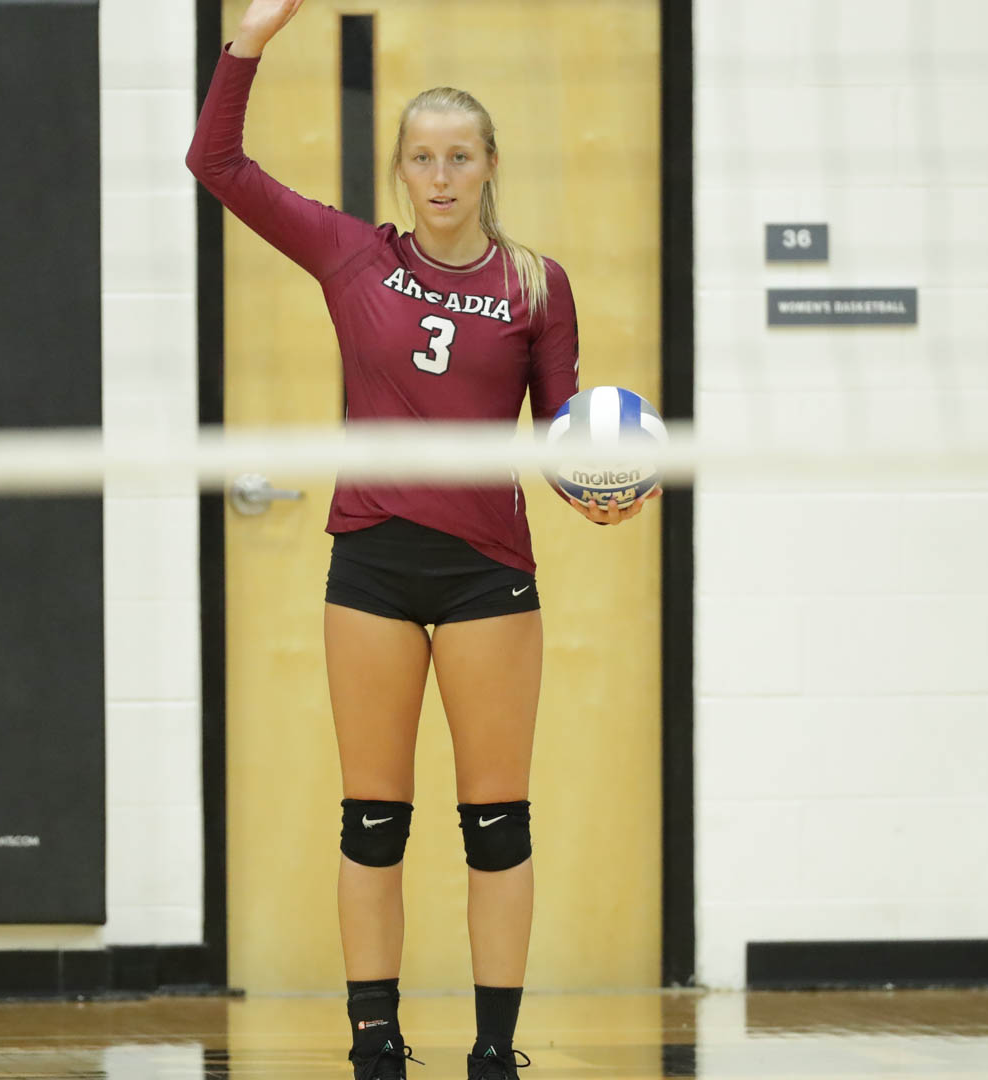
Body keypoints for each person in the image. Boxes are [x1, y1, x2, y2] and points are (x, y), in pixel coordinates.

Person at [187, 2, 653, 1077]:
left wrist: (600, 491)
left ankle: (495, 1050)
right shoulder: (351, 256)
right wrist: (248, 41)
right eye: (421, 158)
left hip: (491, 572)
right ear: (399, 172)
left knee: (496, 823)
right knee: (373, 822)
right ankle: (375, 1043)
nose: (440, 175)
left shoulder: (538, 284)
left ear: (490, 164)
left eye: (459, 156)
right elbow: (215, 161)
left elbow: (560, 431)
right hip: (373, 569)